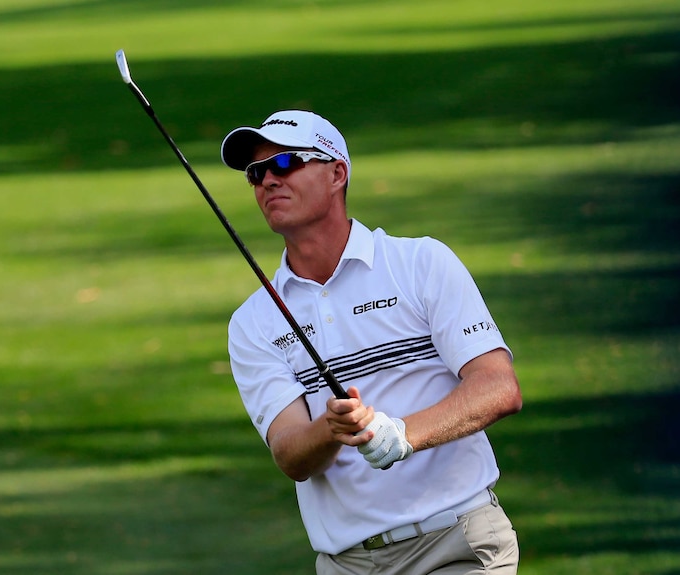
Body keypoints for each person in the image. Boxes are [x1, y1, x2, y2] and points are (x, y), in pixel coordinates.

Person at [220, 110, 523, 575]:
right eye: (256, 173)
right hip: (348, 564)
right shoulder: (253, 322)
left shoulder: (421, 263)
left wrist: (402, 434)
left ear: (337, 173)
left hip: (457, 541)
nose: (267, 182)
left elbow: (498, 387)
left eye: (284, 164)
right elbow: (289, 452)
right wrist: (331, 428)